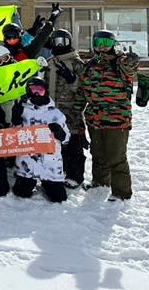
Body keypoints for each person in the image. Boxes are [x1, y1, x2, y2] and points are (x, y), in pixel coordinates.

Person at [78, 30, 140, 202]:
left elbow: (131, 70)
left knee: (116, 157)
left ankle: (121, 192)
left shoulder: (119, 62)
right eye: (99, 43)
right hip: (94, 118)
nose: (103, 47)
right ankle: (100, 183)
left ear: (113, 44)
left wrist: (132, 61)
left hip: (116, 119)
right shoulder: (89, 66)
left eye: (107, 43)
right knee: (98, 154)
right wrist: (77, 113)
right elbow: (82, 93)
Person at [10, 77, 71, 203]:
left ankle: (48, 182)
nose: (36, 94)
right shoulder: (23, 110)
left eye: (40, 91)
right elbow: (13, 137)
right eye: (33, 90)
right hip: (27, 163)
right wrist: (16, 119)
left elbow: (66, 139)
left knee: (58, 198)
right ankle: (27, 180)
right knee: (21, 193)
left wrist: (60, 133)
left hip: (50, 164)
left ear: (46, 92)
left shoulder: (56, 114)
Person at [44, 29, 88, 188]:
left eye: (63, 41)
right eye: (56, 41)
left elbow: (85, 89)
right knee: (55, 144)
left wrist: (72, 79)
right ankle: (57, 172)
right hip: (51, 110)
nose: (60, 45)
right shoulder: (50, 62)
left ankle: (75, 176)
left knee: (73, 145)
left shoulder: (77, 63)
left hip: (71, 110)